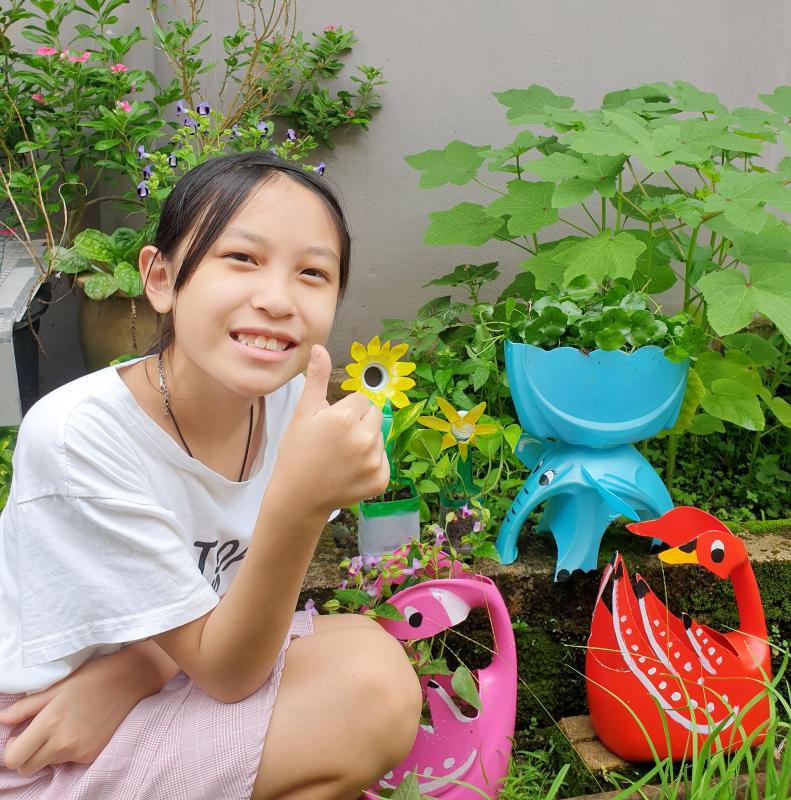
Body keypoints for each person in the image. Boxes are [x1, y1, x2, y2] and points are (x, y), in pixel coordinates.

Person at [0, 152, 423, 799]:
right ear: (163, 278)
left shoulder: (285, 407)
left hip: (159, 666)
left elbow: (222, 613)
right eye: (241, 259)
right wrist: (300, 500)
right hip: (38, 733)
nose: (276, 299)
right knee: (365, 698)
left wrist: (138, 668)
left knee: (367, 653)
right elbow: (228, 675)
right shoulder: (80, 436)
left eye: (312, 272)